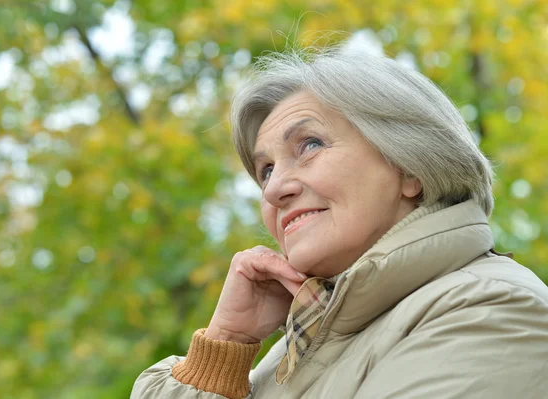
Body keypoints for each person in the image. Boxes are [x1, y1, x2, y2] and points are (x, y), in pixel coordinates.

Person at [131, 47, 548, 398]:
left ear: (409, 165)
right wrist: (223, 350)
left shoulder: (490, 308)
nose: (274, 190)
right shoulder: (298, 347)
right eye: (266, 170)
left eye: (309, 145)